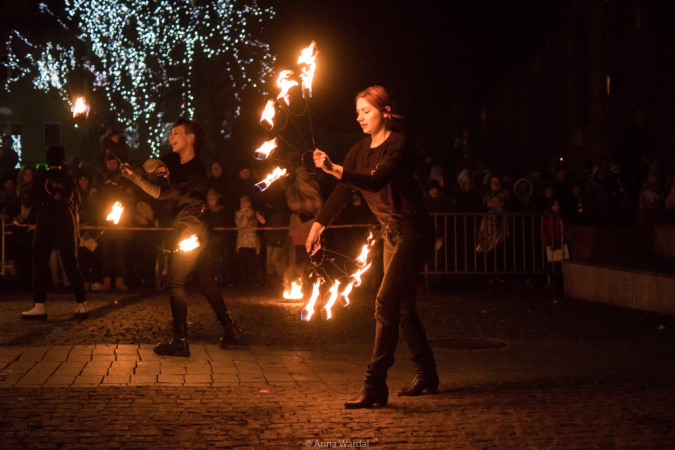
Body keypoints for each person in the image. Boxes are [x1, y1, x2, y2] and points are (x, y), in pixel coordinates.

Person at [306, 86, 438, 409]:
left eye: (366, 110)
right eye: (358, 111)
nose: (359, 117)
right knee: (402, 308)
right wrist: (318, 225)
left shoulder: (399, 146)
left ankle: (375, 384)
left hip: (413, 232)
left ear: (385, 111)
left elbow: (376, 181)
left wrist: (334, 167)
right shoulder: (358, 151)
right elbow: (343, 192)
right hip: (389, 233)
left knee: (384, 303)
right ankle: (427, 373)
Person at [120, 118, 242, 357]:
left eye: (176, 133)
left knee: (175, 281)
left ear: (191, 138)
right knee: (202, 280)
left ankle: (180, 340)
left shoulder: (195, 171)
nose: (171, 137)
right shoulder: (174, 160)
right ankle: (230, 329)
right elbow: (151, 164)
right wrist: (148, 169)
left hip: (193, 230)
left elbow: (160, 193)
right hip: (195, 228)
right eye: (170, 133)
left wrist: (142, 178)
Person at [14, 146, 88, 320]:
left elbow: (28, 201)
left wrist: (21, 218)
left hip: (46, 218)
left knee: (40, 259)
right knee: (71, 261)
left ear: (47, 160)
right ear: (62, 160)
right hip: (66, 219)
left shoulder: (41, 177)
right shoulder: (69, 179)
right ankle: (82, 304)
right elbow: (76, 206)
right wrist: (75, 232)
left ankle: (39, 306)